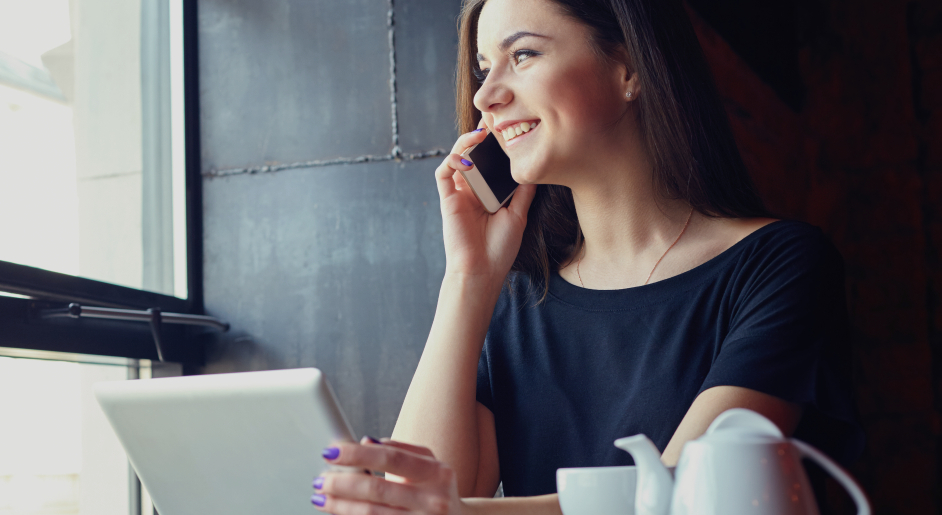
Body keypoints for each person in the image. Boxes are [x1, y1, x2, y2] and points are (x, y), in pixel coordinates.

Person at [308, 0, 863, 513]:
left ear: (629, 68)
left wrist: (457, 513)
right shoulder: (515, 298)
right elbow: (411, 495)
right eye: (483, 68)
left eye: (522, 54)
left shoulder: (778, 266)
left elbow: (683, 497)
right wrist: (468, 277)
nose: (484, 95)